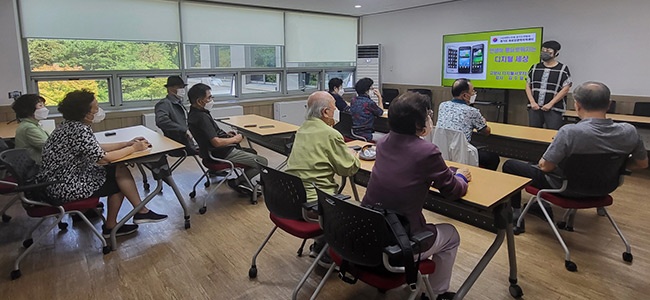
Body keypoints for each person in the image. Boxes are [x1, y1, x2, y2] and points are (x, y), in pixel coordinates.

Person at [361, 91, 471, 300]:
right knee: (451, 235)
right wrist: (462, 177)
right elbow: (453, 191)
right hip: (400, 240)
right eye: (428, 114)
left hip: (372, 230)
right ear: (419, 123)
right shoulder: (428, 151)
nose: (430, 118)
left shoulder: (383, 142)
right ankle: (435, 294)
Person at [503, 82, 648, 232]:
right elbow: (642, 164)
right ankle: (537, 206)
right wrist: (616, 166)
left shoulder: (570, 132)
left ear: (577, 105)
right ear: (609, 104)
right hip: (605, 188)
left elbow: (546, 167)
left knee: (511, 165)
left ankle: (516, 213)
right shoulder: (629, 132)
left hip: (566, 188)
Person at [37, 90, 168, 237]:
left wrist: (126, 144)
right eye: (96, 107)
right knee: (117, 183)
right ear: (86, 114)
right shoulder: (78, 130)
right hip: (63, 185)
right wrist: (133, 148)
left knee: (119, 168)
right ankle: (114, 225)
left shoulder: (70, 125)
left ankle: (140, 212)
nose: (99, 110)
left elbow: (96, 146)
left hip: (60, 179)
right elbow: (103, 158)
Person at [286, 91, 360, 262]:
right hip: (314, 203)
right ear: (325, 112)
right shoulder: (330, 134)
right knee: (358, 211)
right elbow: (347, 169)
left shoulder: (302, 129)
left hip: (291, 198)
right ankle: (328, 254)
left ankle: (320, 243)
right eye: (334, 109)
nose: (335, 113)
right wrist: (353, 155)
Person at [187, 83, 268, 195]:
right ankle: (237, 182)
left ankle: (243, 181)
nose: (212, 100)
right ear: (200, 101)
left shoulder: (193, 114)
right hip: (221, 153)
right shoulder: (202, 117)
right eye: (209, 97)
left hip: (209, 153)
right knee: (263, 161)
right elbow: (216, 142)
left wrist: (226, 135)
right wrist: (235, 139)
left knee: (252, 152)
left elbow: (209, 135)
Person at [436, 78, 501, 170]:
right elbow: (486, 132)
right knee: (493, 158)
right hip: (462, 153)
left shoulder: (442, 105)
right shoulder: (472, 111)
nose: (474, 93)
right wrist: (482, 122)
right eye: (473, 91)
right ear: (465, 96)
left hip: (443, 151)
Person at [525, 40, 572, 129]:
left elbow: (565, 88)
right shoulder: (535, 67)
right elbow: (528, 85)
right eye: (543, 50)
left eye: (548, 51)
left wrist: (550, 104)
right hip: (535, 107)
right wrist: (532, 102)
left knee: (552, 133)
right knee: (533, 132)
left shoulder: (563, 69)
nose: (545, 53)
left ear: (556, 53)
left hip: (554, 108)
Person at [155, 75, 196, 154]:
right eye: (179, 87)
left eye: (183, 87)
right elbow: (161, 121)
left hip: (188, 140)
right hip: (180, 143)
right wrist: (184, 130)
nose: (182, 89)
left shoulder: (178, 102)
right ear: (170, 89)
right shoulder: (164, 104)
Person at [11, 94, 49, 164]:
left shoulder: (31, 124)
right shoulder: (29, 128)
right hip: (36, 165)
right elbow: (48, 147)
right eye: (40, 106)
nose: (44, 109)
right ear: (29, 110)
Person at [349, 77, 385, 142]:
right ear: (366, 90)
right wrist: (379, 97)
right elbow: (380, 112)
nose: (373, 89)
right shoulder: (369, 103)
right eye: (371, 88)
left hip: (354, 132)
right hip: (366, 134)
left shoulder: (353, 100)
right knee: (386, 138)